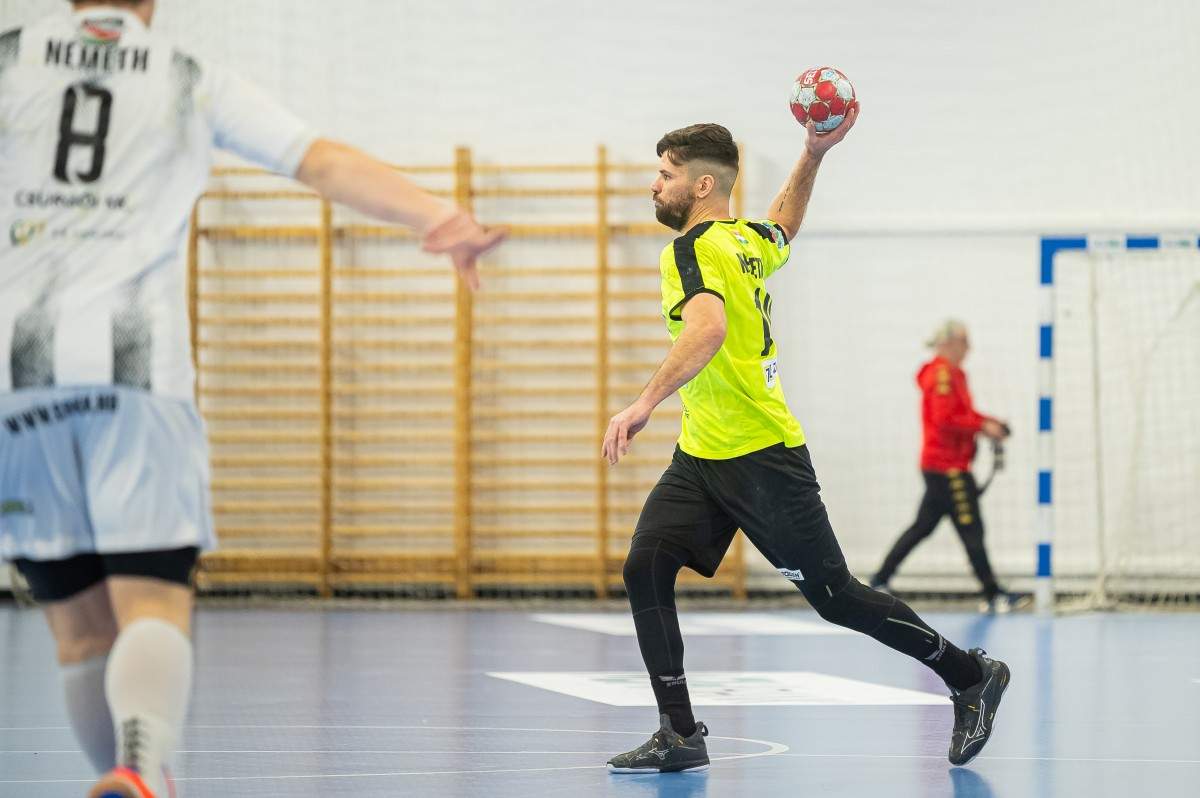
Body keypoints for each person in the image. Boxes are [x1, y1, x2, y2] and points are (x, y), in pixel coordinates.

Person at [0, 3, 503, 797]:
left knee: (79, 633)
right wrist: (437, 215)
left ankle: (136, 778)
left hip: (16, 377)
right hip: (136, 375)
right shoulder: (186, 75)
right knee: (152, 605)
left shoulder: (9, 57)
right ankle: (141, 768)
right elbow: (318, 160)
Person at [600, 115, 1009, 773]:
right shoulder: (745, 240)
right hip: (702, 456)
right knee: (645, 565)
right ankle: (679, 733)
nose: (654, 185)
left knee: (836, 597)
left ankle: (970, 675)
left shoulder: (690, 251)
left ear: (702, 186)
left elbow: (706, 330)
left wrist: (642, 403)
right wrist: (813, 153)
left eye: (666, 175)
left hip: (763, 457)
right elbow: (783, 225)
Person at [870, 321, 1023, 613]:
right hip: (947, 467)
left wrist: (988, 423)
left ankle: (880, 579)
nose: (969, 348)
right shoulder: (942, 375)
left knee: (923, 526)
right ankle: (992, 594)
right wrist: (982, 426)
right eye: (965, 341)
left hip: (943, 465)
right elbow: (945, 419)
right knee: (971, 528)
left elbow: (961, 413)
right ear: (948, 342)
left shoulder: (954, 374)